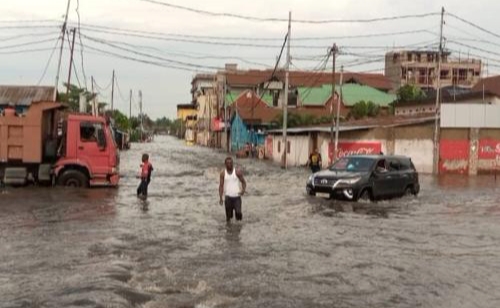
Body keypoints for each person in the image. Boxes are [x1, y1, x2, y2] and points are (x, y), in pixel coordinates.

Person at [219, 157, 247, 223]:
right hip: (228, 198)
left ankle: (239, 229)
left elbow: (244, 182)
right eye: (228, 163)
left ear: (233, 164)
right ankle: (229, 231)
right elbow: (221, 186)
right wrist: (220, 198)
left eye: (231, 163)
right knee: (229, 218)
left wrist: (243, 190)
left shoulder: (237, 172)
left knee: (238, 214)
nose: (229, 164)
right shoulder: (223, 173)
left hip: (237, 197)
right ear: (225, 164)